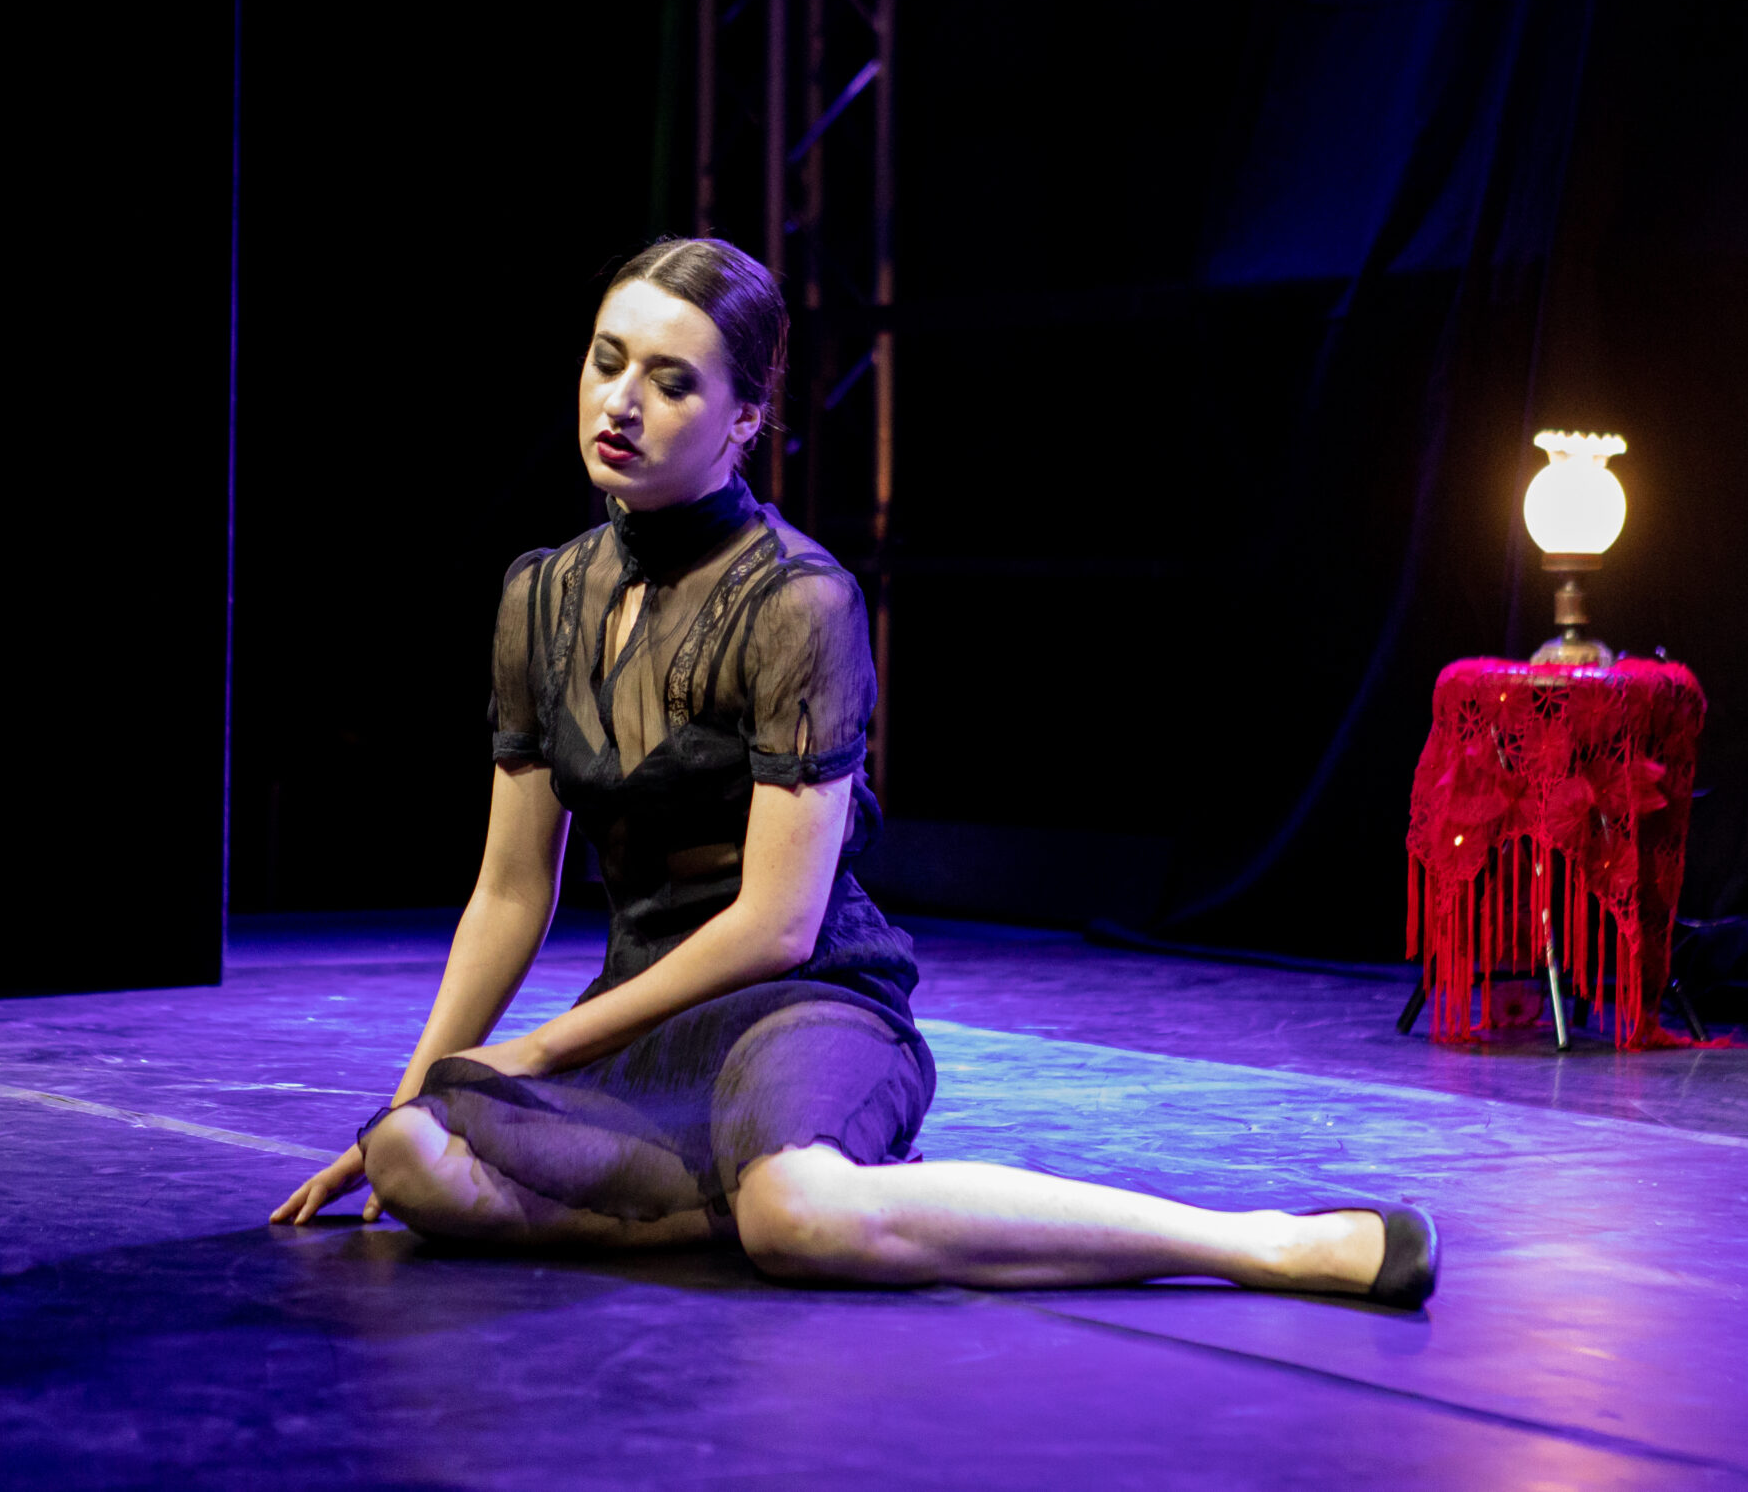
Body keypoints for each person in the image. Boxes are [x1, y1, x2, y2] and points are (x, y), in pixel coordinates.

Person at [270, 237, 1438, 1306]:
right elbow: (510, 888)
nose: (620, 402)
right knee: (411, 1156)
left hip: (803, 1000)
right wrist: (411, 1093)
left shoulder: (799, 599)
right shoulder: (539, 595)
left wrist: (530, 1051)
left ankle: (1263, 1242)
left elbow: (776, 925)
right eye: (607, 360)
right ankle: (742, 1212)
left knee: (799, 1213)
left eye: (672, 382)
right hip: (642, 1023)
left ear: (744, 418)